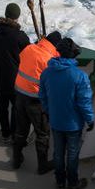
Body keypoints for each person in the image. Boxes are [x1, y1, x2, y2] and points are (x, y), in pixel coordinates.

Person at [39, 38, 94, 189]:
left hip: (56, 121)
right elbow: (84, 102)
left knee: (57, 153)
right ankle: (72, 184)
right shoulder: (80, 76)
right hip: (73, 124)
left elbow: (42, 96)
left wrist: (50, 112)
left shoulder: (47, 72)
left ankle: (60, 183)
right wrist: (90, 120)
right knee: (72, 154)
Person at [12, 31, 62, 173]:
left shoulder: (28, 48)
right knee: (42, 134)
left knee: (21, 130)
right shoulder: (49, 60)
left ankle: (16, 159)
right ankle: (42, 165)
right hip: (36, 101)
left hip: (20, 95)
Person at [0, 3, 31, 139]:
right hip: (16, 80)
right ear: (17, 17)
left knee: (2, 107)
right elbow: (28, 56)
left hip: (0, 77)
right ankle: (15, 135)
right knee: (16, 109)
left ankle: (5, 135)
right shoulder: (20, 36)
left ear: (6, 15)